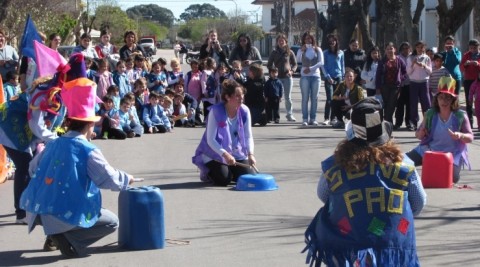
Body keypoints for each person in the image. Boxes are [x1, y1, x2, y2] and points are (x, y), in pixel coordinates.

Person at [20, 78, 136, 257]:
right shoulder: (87, 149)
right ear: (90, 125)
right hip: (65, 210)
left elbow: (32, 168)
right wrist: (127, 178)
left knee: (65, 200)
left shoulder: (53, 142)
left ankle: (56, 234)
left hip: (39, 208)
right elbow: (108, 179)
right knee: (112, 222)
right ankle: (68, 238)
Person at [304, 97, 426, 267]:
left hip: (349, 242)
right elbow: (419, 202)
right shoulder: (404, 165)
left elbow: (323, 194)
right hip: (392, 244)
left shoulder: (335, 164)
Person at [406, 78, 473, 184]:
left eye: (448, 98)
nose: (444, 101)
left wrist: (460, 135)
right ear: (436, 99)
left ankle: (434, 166)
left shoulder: (460, 116)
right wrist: (421, 133)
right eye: (441, 97)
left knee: (452, 178)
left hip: (452, 154)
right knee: (402, 162)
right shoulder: (430, 114)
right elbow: (418, 134)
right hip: (429, 150)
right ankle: (429, 164)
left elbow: (470, 137)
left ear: (452, 100)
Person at [192, 79, 256, 186]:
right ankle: (208, 172)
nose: (241, 98)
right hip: (215, 154)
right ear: (227, 97)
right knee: (223, 180)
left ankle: (231, 171)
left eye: (242, 95)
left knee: (248, 177)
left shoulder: (245, 111)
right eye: (237, 95)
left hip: (235, 153)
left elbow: (248, 135)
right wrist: (225, 154)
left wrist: (250, 154)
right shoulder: (216, 111)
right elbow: (210, 140)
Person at [267, 34, 298, 122]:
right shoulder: (274, 52)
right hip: (277, 79)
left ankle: (289, 114)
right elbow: (269, 64)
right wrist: (272, 72)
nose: (281, 42)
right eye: (279, 40)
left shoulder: (290, 52)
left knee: (288, 97)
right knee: (276, 97)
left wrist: (292, 71)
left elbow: (295, 64)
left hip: (287, 77)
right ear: (277, 42)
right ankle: (275, 116)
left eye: (282, 40)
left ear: (286, 41)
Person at [375, 42, 407, 124]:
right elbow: (378, 75)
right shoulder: (382, 61)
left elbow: (405, 72)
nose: (390, 50)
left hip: (395, 86)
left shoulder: (399, 60)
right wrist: (378, 88)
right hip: (384, 86)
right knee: (386, 104)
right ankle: (388, 122)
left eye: (391, 48)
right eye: (388, 49)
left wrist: (401, 78)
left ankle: (387, 121)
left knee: (392, 104)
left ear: (395, 50)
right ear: (385, 51)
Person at [296, 32, 323, 126]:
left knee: (314, 98)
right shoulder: (302, 49)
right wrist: (301, 51)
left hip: (316, 76)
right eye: (306, 39)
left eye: (310, 38)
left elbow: (321, 63)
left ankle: (313, 118)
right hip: (305, 76)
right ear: (304, 40)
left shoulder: (317, 49)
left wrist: (311, 69)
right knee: (305, 98)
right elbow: (298, 60)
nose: (308, 40)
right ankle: (304, 118)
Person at [407, 40, 432, 131]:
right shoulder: (410, 57)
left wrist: (424, 66)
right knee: (413, 103)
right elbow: (408, 72)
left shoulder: (427, 58)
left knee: (426, 103)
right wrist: (413, 64)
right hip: (413, 82)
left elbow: (430, 72)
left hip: (424, 83)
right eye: (418, 47)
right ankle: (413, 123)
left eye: (422, 47)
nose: (420, 49)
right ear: (415, 48)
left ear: (424, 48)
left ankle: (428, 122)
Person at [321, 34, 345, 126]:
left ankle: (333, 118)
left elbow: (342, 65)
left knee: (336, 99)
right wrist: (328, 77)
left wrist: (343, 77)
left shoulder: (341, 53)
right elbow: (323, 66)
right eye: (330, 41)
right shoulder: (325, 53)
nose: (332, 43)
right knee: (329, 98)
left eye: (333, 41)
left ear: (336, 41)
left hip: (338, 77)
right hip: (329, 77)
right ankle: (326, 118)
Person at [459, 39, 480, 128]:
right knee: (469, 101)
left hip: (478, 80)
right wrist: (465, 64)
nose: (473, 49)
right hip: (468, 80)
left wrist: (478, 64)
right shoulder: (466, 55)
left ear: (478, 47)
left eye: (475, 48)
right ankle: (469, 123)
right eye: (471, 48)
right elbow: (461, 68)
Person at [395, 42, 412, 130]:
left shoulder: (412, 57)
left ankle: (409, 123)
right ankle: (398, 123)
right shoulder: (398, 58)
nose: (406, 50)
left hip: (410, 83)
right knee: (400, 104)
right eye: (404, 48)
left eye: (407, 48)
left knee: (409, 105)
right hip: (401, 85)